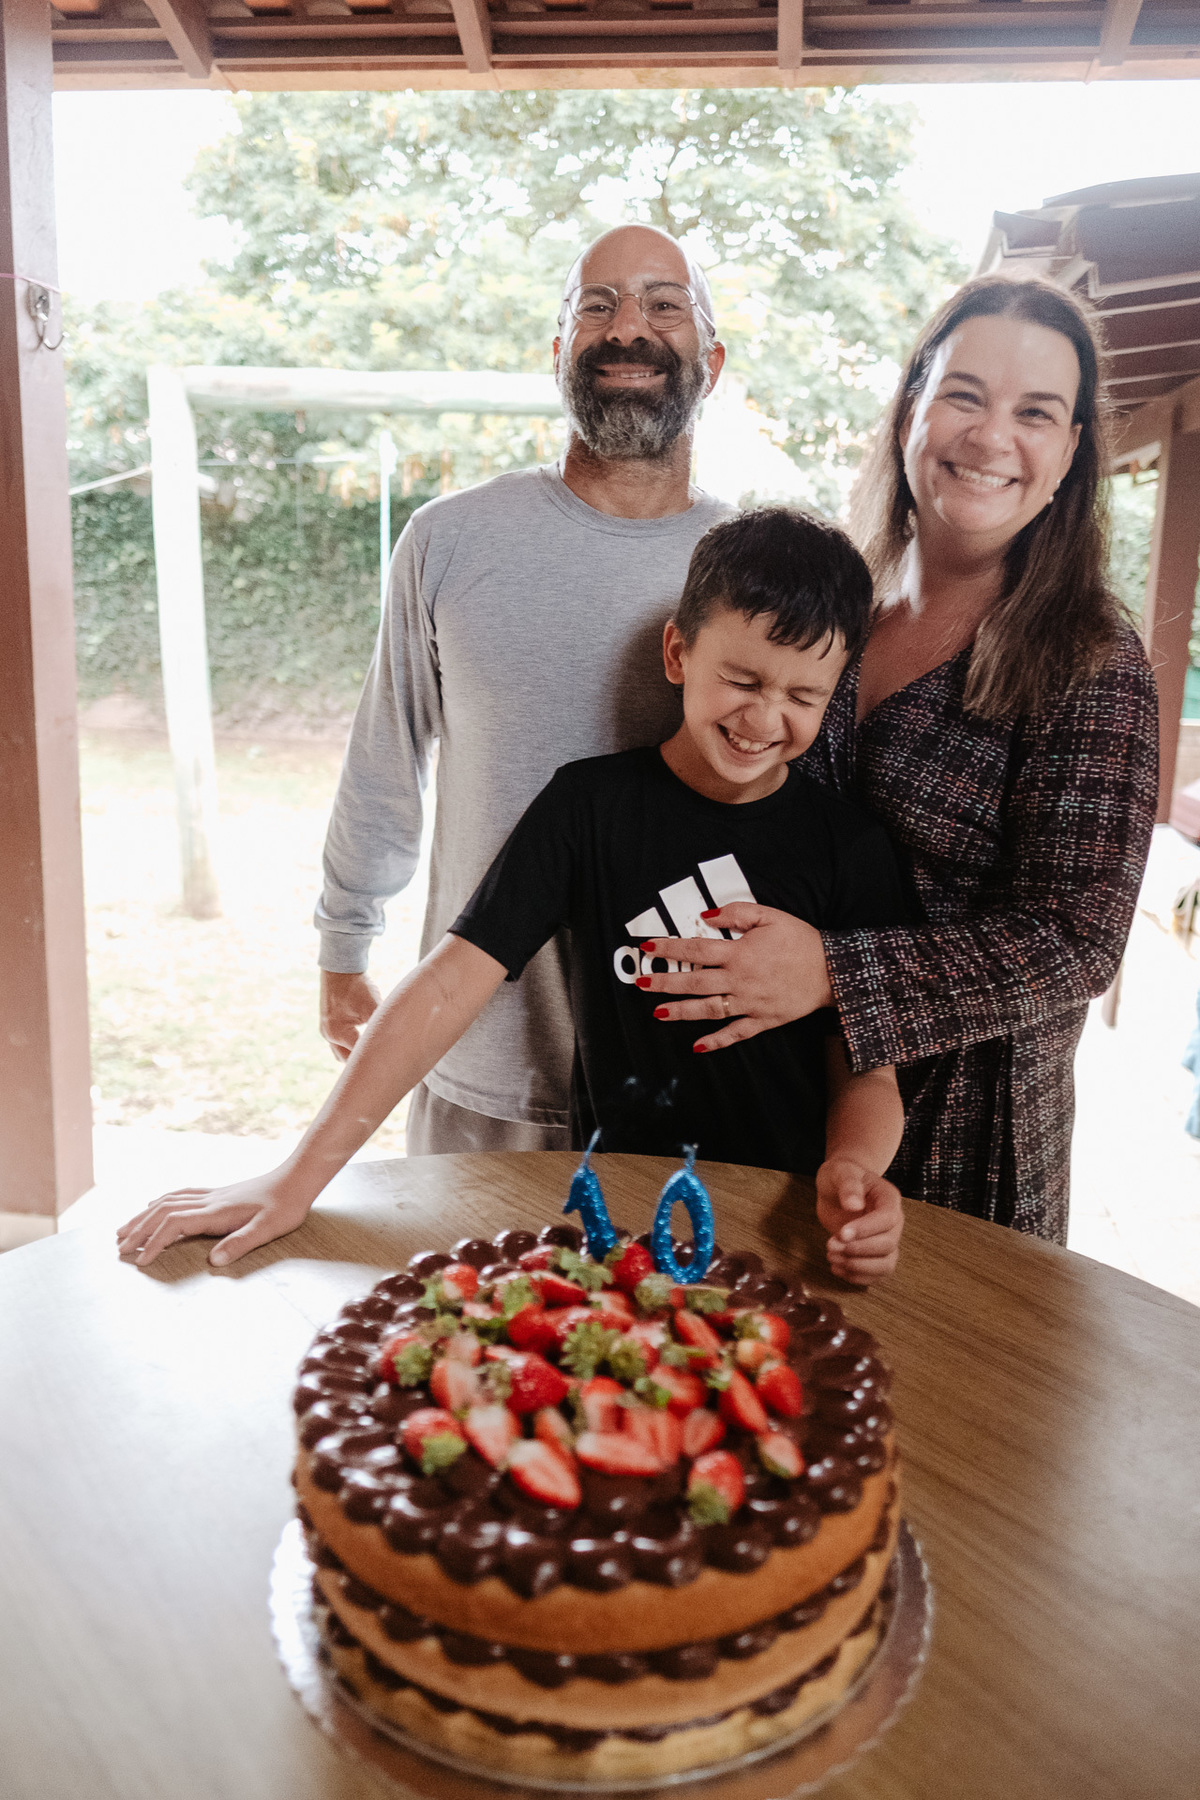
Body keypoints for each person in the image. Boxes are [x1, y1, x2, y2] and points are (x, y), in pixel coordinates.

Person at [118, 509, 910, 1282]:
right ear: (677, 652)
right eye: (741, 678)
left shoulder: (851, 848)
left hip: (784, 1224)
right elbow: (449, 981)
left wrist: (853, 1168)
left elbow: (868, 1071)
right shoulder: (586, 808)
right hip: (615, 1221)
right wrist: (295, 1179)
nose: (764, 716)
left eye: (803, 697)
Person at [636, 276, 1159, 1244]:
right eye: (964, 393)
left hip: (960, 1146)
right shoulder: (846, 601)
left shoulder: (1091, 655)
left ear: (1072, 449)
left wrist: (836, 973)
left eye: (1036, 412)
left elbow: (1078, 940)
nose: (992, 436)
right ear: (911, 403)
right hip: (772, 1097)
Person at [316, 223, 732, 1157]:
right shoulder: (451, 540)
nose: (628, 328)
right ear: (559, 354)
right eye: (597, 305)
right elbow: (386, 761)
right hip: (477, 1058)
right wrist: (343, 948)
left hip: (677, 1068)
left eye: (664, 304)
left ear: (713, 357)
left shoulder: (745, 568)